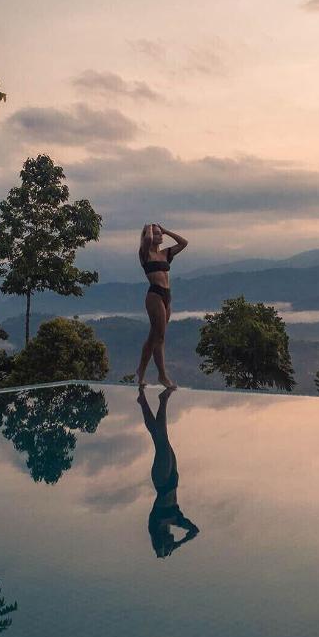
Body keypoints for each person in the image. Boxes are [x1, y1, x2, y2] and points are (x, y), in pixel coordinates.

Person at [137, 385, 199, 559]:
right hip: (172, 478)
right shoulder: (176, 520)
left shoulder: (157, 524)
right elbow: (195, 531)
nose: (170, 545)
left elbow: (159, 551)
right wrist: (178, 544)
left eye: (168, 545)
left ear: (162, 541)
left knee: (162, 437)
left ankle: (163, 400)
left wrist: (168, 548)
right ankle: (143, 401)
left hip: (162, 480)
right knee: (158, 436)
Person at [136, 222, 188, 388]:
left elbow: (183, 243)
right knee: (160, 337)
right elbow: (147, 240)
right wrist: (148, 228)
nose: (159, 236)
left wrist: (166, 231)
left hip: (167, 296)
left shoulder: (165, 253)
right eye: (156, 233)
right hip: (155, 295)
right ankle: (162, 376)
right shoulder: (145, 253)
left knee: (153, 337)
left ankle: (140, 372)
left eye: (160, 233)